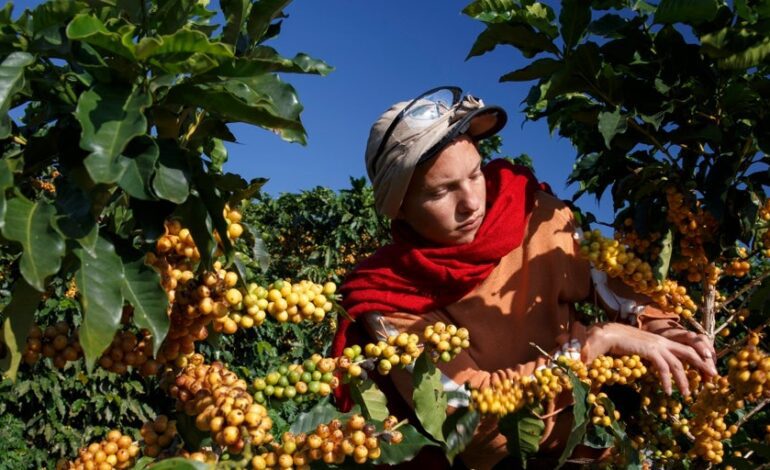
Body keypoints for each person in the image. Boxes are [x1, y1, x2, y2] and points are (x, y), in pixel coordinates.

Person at [332, 86, 717, 469]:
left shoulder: (529, 212)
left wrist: (664, 329)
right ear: (399, 209)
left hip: (603, 442)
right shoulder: (390, 299)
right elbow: (472, 424)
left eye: (474, 174)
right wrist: (597, 344)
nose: (471, 203)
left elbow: (614, 284)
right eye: (441, 193)